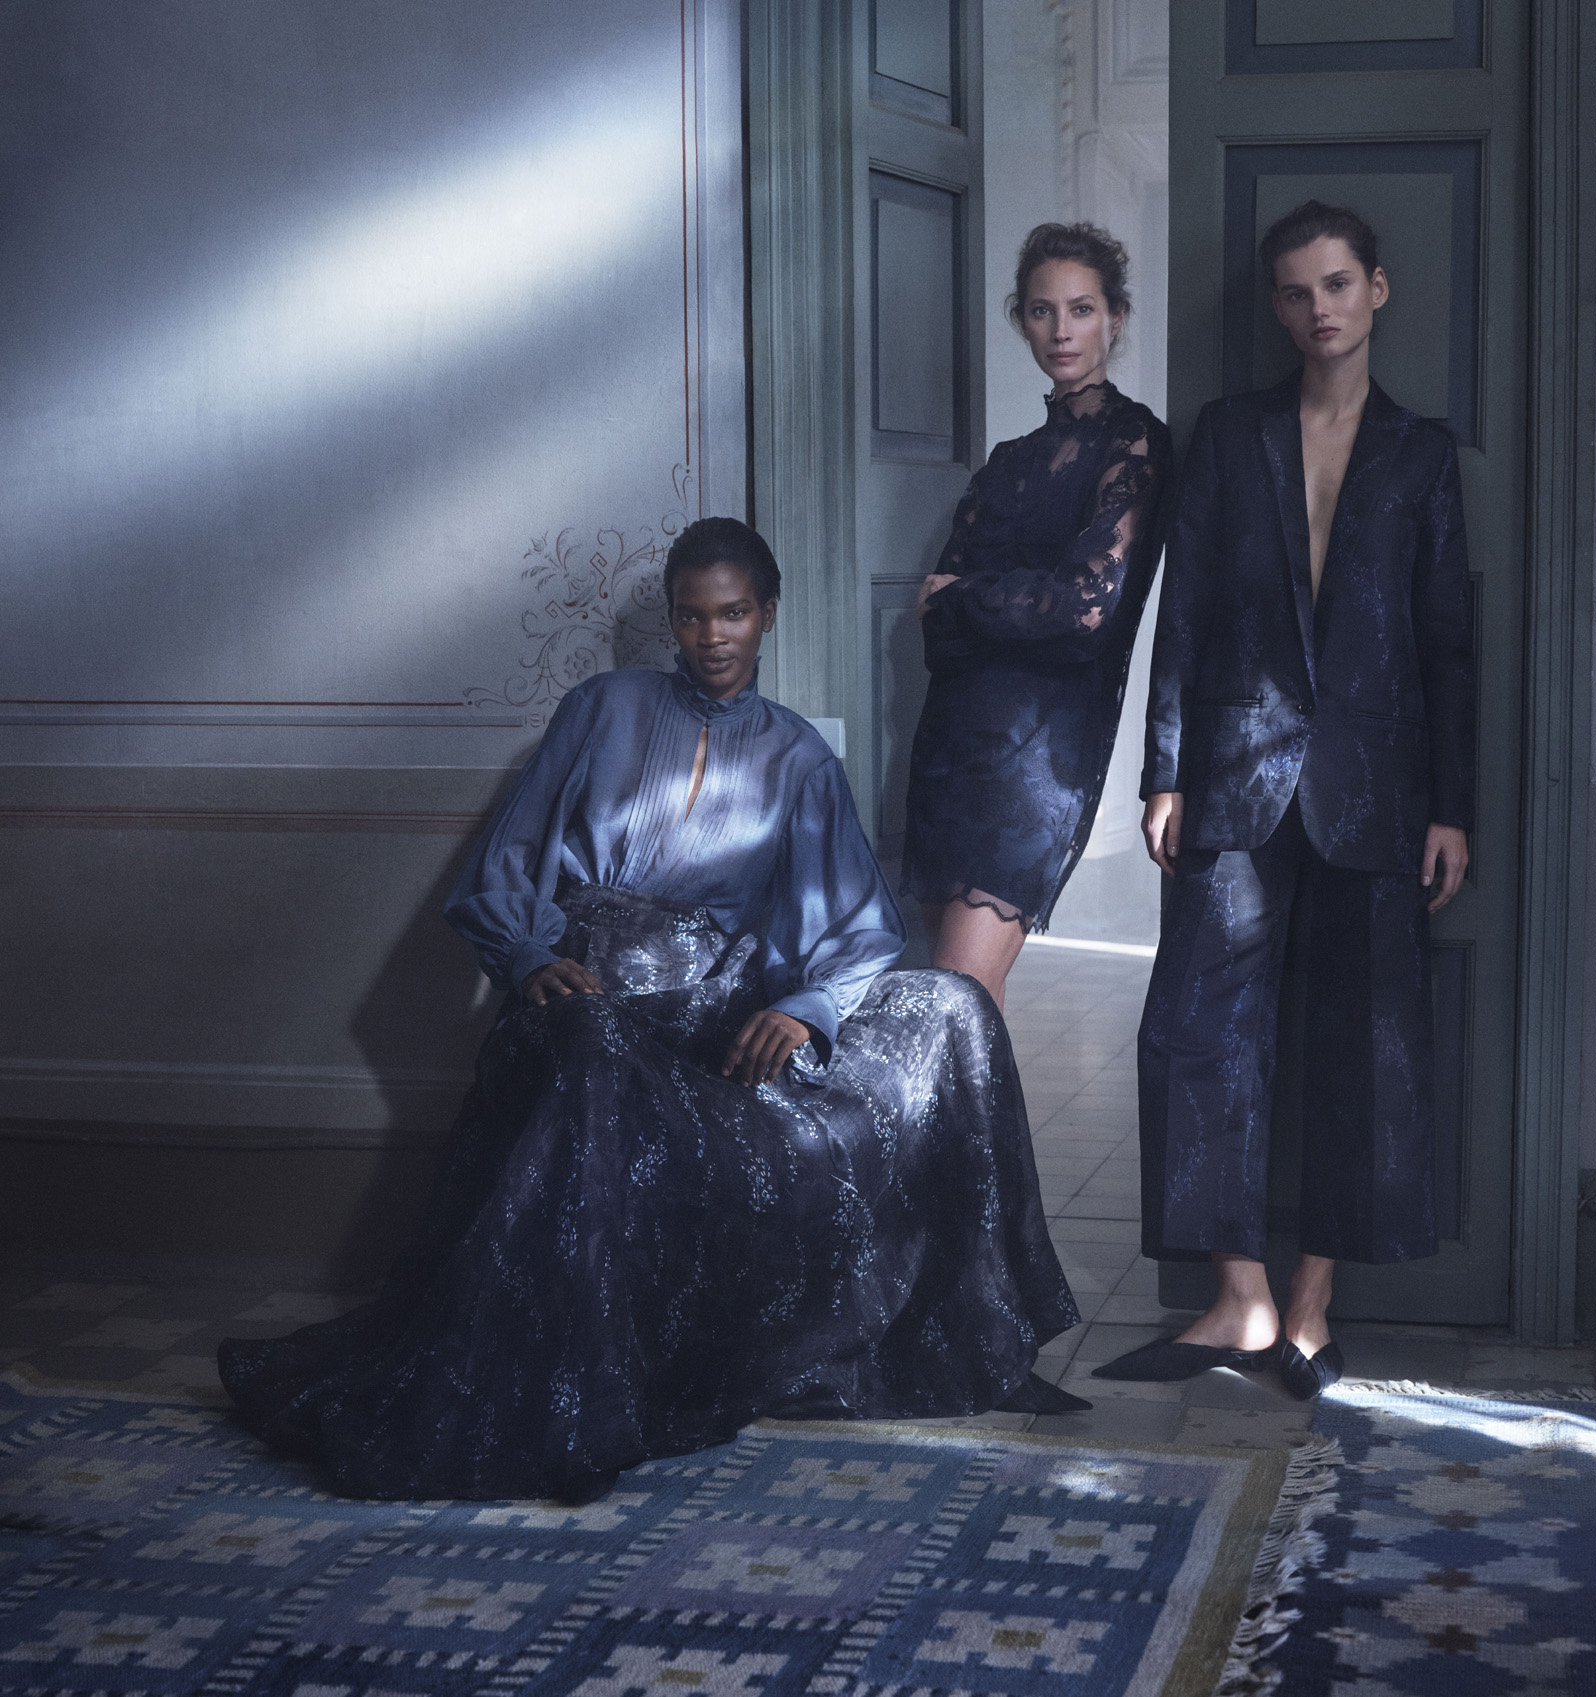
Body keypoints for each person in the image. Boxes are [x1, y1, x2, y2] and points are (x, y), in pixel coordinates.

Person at [219, 518, 1084, 1503]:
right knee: (592, 1042)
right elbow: (505, 861)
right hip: (587, 1004)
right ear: (672, 619)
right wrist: (528, 955)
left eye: (732, 613)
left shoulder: (799, 757)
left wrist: (805, 1008)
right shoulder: (601, 709)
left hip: (715, 1011)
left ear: (766, 615)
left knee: (952, 1004)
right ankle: (574, 1401)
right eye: (691, 615)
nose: (711, 636)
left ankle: (979, 1339)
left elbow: (852, 922)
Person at [1096, 201, 1475, 1400]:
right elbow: (1184, 610)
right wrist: (1163, 768)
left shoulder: (1420, 454)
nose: (1318, 308)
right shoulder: (1228, 434)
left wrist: (1450, 806)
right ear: (1275, 304)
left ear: (1376, 289)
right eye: (1296, 290)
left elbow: (1445, 642)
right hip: (1232, 773)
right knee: (1194, 1030)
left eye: (1336, 284)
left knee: (1362, 1047)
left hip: (1375, 789)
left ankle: (1309, 1306)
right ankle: (1238, 1298)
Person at [902, 222, 1172, 1009]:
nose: (1061, 330)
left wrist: (964, 596)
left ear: (1115, 318)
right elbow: (935, 634)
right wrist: (1008, 601)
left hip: (1038, 757)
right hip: (952, 739)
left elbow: (1085, 610)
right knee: (951, 1009)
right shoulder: (1006, 463)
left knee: (957, 999)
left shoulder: (1134, 442)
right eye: (1042, 310)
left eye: (1081, 309)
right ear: (1020, 320)